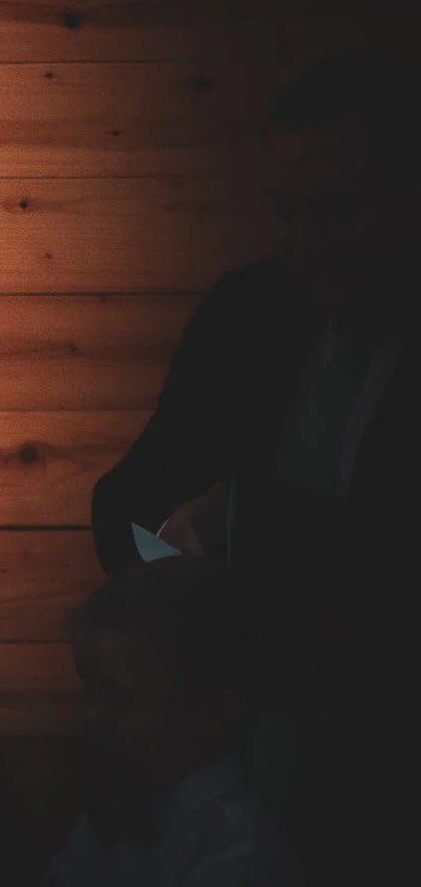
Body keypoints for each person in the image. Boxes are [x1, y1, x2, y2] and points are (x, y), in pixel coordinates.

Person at [90, 54, 416, 880]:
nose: (305, 247)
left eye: (337, 211)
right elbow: (128, 491)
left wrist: (242, 521)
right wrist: (178, 580)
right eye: (286, 212)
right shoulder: (249, 310)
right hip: (234, 781)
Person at [43, 558, 299, 887]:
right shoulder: (115, 810)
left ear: (213, 712)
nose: (89, 716)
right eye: (87, 688)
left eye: (121, 698)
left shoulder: (236, 856)